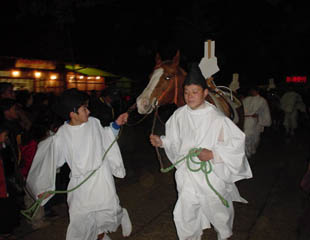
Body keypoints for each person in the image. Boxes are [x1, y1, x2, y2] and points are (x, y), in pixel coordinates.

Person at [149, 64, 252, 240]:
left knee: (219, 211)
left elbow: (236, 144)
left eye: (195, 92)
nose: (189, 96)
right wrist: (162, 142)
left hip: (211, 175)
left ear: (205, 93)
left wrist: (213, 154)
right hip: (187, 175)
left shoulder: (217, 118)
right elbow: (174, 140)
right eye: (186, 92)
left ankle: (224, 235)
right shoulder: (179, 115)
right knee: (185, 213)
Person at [26, 89, 132, 240]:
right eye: (84, 109)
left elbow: (106, 137)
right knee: (80, 220)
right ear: (72, 114)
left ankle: (120, 216)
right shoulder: (62, 134)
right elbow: (50, 162)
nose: (88, 111)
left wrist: (116, 124)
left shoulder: (94, 123)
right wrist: (45, 187)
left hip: (101, 178)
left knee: (107, 213)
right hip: (79, 183)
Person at [0, 122, 20, 240]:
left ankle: (6, 231)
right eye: (4, 135)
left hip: (6, 182)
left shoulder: (4, 146)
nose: (6, 137)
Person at [242, 86, 272, 158]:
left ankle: (252, 150)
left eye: (253, 90)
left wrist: (261, 119)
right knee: (246, 137)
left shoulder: (262, 100)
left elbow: (265, 112)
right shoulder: (246, 99)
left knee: (254, 138)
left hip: (255, 121)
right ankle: (247, 153)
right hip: (246, 121)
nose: (251, 92)